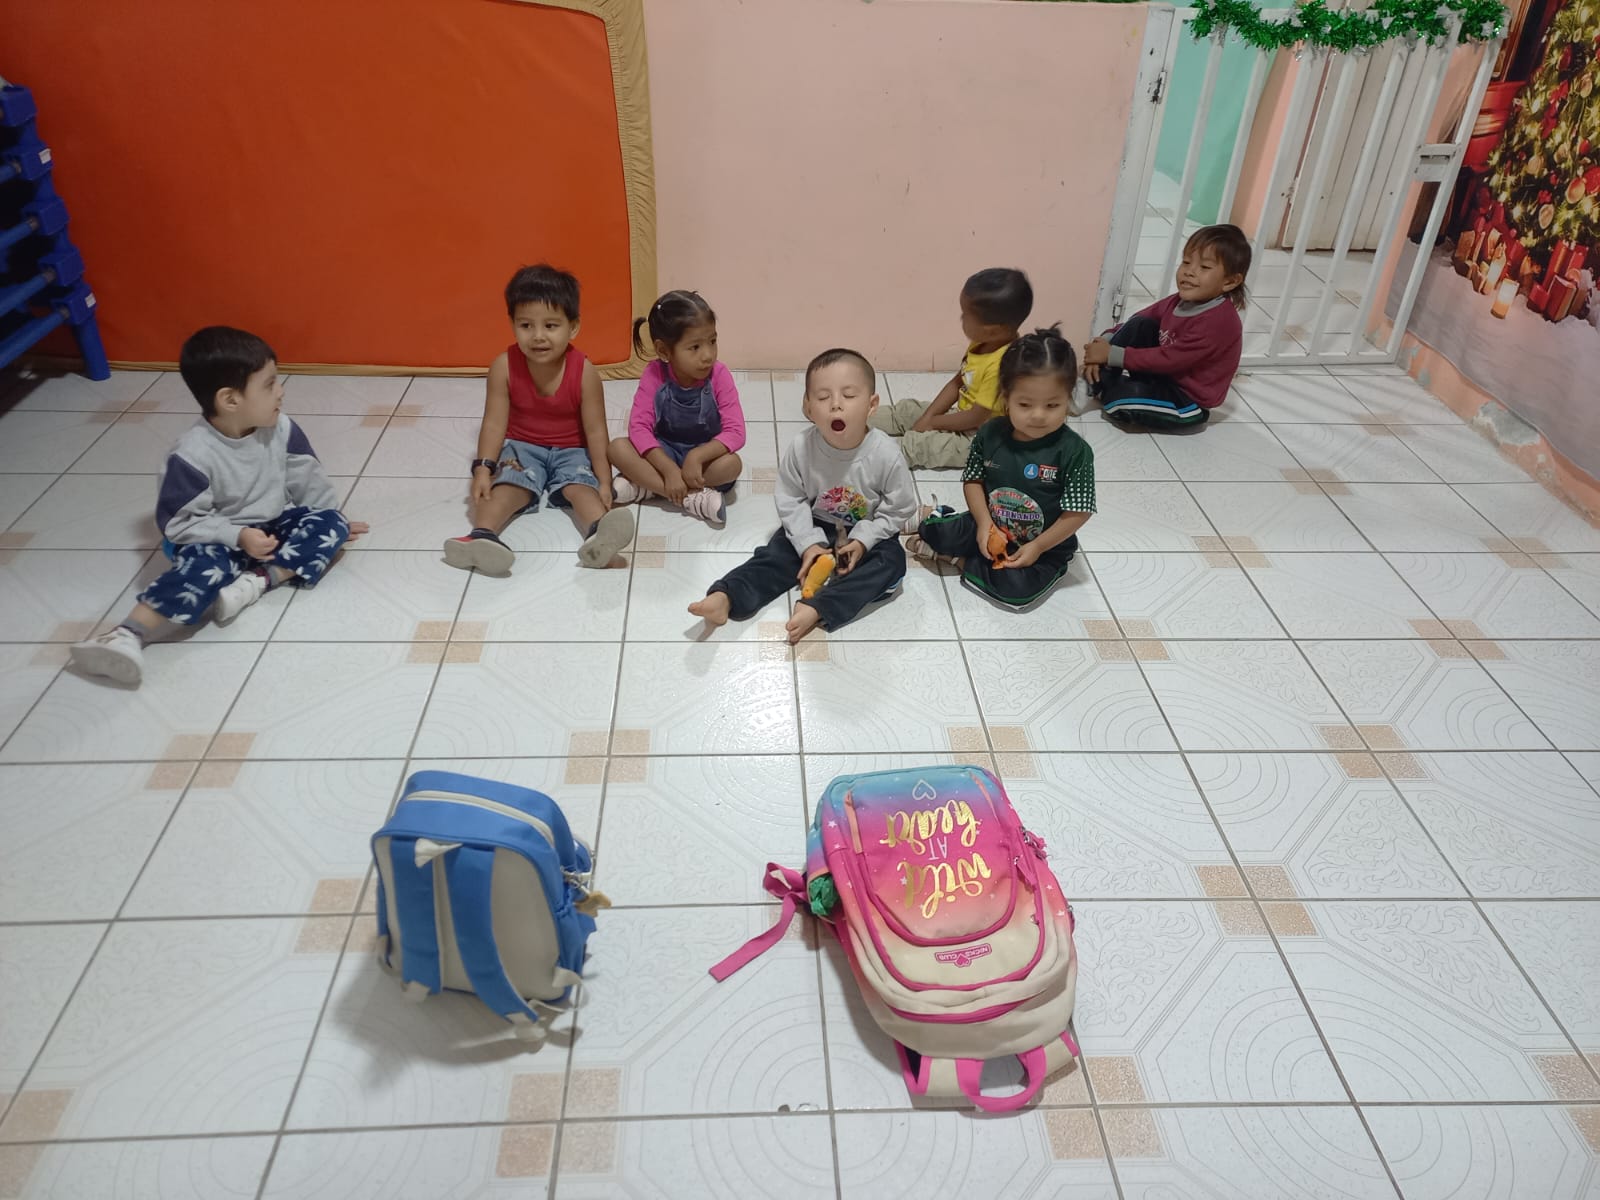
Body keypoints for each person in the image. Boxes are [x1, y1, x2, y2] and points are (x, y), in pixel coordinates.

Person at [69, 326, 367, 685]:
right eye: (269, 384)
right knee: (202, 568)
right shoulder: (192, 455)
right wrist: (236, 535)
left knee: (333, 523)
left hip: (272, 528)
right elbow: (179, 523)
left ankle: (258, 581)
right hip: (216, 538)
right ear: (230, 400)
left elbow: (308, 480)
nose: (281, 391)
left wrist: (330, 519)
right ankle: (127, 634)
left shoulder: (282, 429)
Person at [689, 348, 916, 643]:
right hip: (815, 522)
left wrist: (864, 540)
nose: (836, 405)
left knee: (892, 563)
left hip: (868, 531)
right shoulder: (801, 447)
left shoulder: (886, 454)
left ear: (871, 405)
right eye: (823, 397)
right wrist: (808, 543)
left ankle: (818, 607)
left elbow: (899, 508)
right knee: (776, 555)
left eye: (849, 395)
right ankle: (727, 596)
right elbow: (791, 499)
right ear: (808, 408)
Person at [444, 264, 632, 574]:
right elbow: (494, 424)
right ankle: (481, 535)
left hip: (572, 449)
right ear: (512, 324)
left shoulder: (584, 373)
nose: (538, 336)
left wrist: (603, 480)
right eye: (526, 325)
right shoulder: (503, 367)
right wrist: (483, 468)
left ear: (573, 327)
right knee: (505, 489)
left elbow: (596, 432)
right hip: (523, 447)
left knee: (581, 489)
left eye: (551, 325)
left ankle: (599, 534)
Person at [908, 326, 1094, 609]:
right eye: (1025, 404)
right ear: (1005, 397)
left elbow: (1078, 512)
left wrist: (1039, 546)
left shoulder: (1074, 452)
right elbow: (973, 481)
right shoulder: (990, 433)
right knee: (934, 532)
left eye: (1052, 405)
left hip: (1045, 544)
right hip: (989, 522)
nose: (1038, 415)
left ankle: (957, 560)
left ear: (1068, 399)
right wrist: (984, 524)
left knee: (1016, 592)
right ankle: (937, 517)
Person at [1082, 224, 1250, 428]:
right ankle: (1093, 382)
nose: (1189, 272)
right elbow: (1137, 320)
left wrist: (1110, 355)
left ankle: (1106, 387)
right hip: (1161, 376)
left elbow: (1170, 359)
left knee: (1124, 400)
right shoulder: (1177, 301)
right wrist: (1103, 344)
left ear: (1230, 282)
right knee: (1141, 324)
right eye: (1186, 262)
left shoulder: (1219, 321)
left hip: (1187, 400)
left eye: (1204, 267)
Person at [868, 267, 1033, 469]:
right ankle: (850, 420)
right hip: (962, 414)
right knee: (907, 411)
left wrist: (933, 423)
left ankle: (868, 462)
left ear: (991, 331)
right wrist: (928, 417)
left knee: (920, 446)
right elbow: (957, 383)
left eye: (965, 316)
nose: (961, 319)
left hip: (978, 438)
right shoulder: (983, 343)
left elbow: (976, 417)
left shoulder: (1003, 365)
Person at [608, 289, 745, 526]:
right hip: (664, 450)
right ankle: (690, 498)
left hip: (705, 457)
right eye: (695, 347)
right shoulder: (654, 374)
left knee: (732, 466)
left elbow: (736, 431)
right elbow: (639, 427)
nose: (708, 355)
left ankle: (647, 487)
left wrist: (697, 456)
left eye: (712, 341)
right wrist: (668, 469)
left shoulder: (719, 375)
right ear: (664, 351)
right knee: (617, 448)